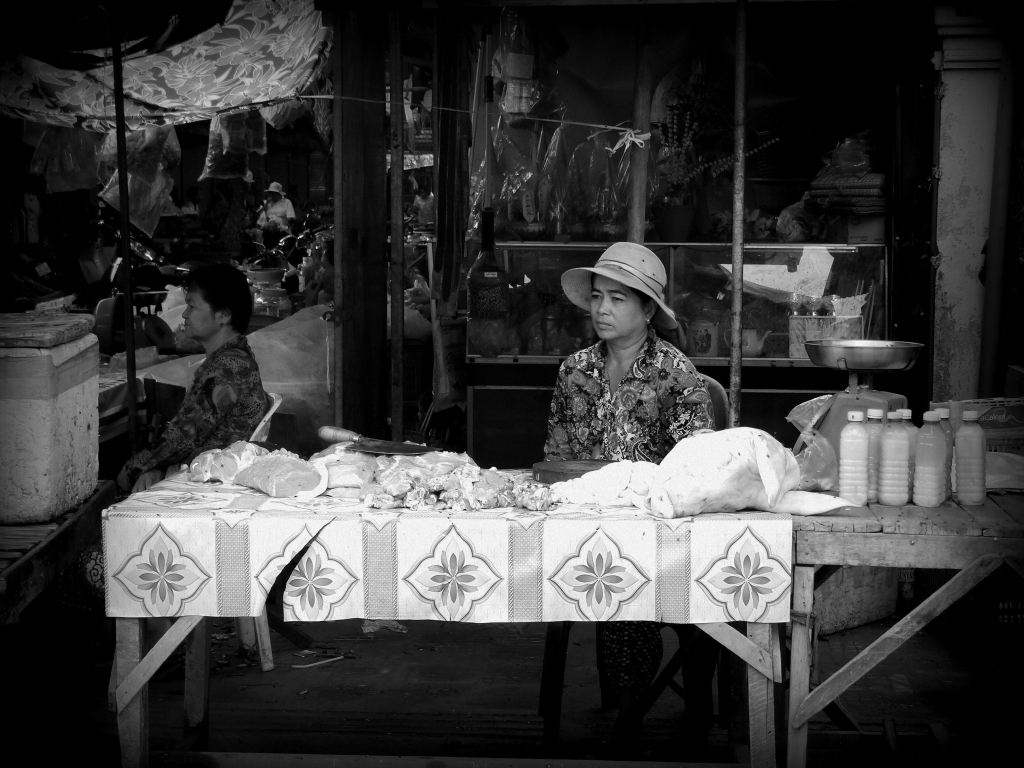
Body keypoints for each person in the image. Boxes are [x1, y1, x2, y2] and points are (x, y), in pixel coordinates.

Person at [543, 242, 717, 751]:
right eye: (598, 296)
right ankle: (628, 704)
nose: (602, 309)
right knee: (614, 571)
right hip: (592, 523)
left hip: (666, 526)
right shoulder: (574, 370)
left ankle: (677, 701)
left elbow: (698, 467)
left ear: (648, 311)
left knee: (658, 581)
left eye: (619, 299)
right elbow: (557, 459)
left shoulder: (676, 373)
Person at [117, 264, 270, 493]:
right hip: (204, 470)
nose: (184, 314)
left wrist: (131, 470)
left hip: (211, 482)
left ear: (224, 315)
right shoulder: (231, 358)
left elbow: (183, 438)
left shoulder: (228, 368)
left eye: (192, 306)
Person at [257, 181, 296, 246]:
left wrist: (284, 227)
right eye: (270, 193)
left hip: (282, 231)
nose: (271, 195)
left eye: (273, 193)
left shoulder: (286, 202)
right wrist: (266, 204)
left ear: (278, 194)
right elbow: (258, 216)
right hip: (267, 232)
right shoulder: (266, 203)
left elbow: (291, 219)